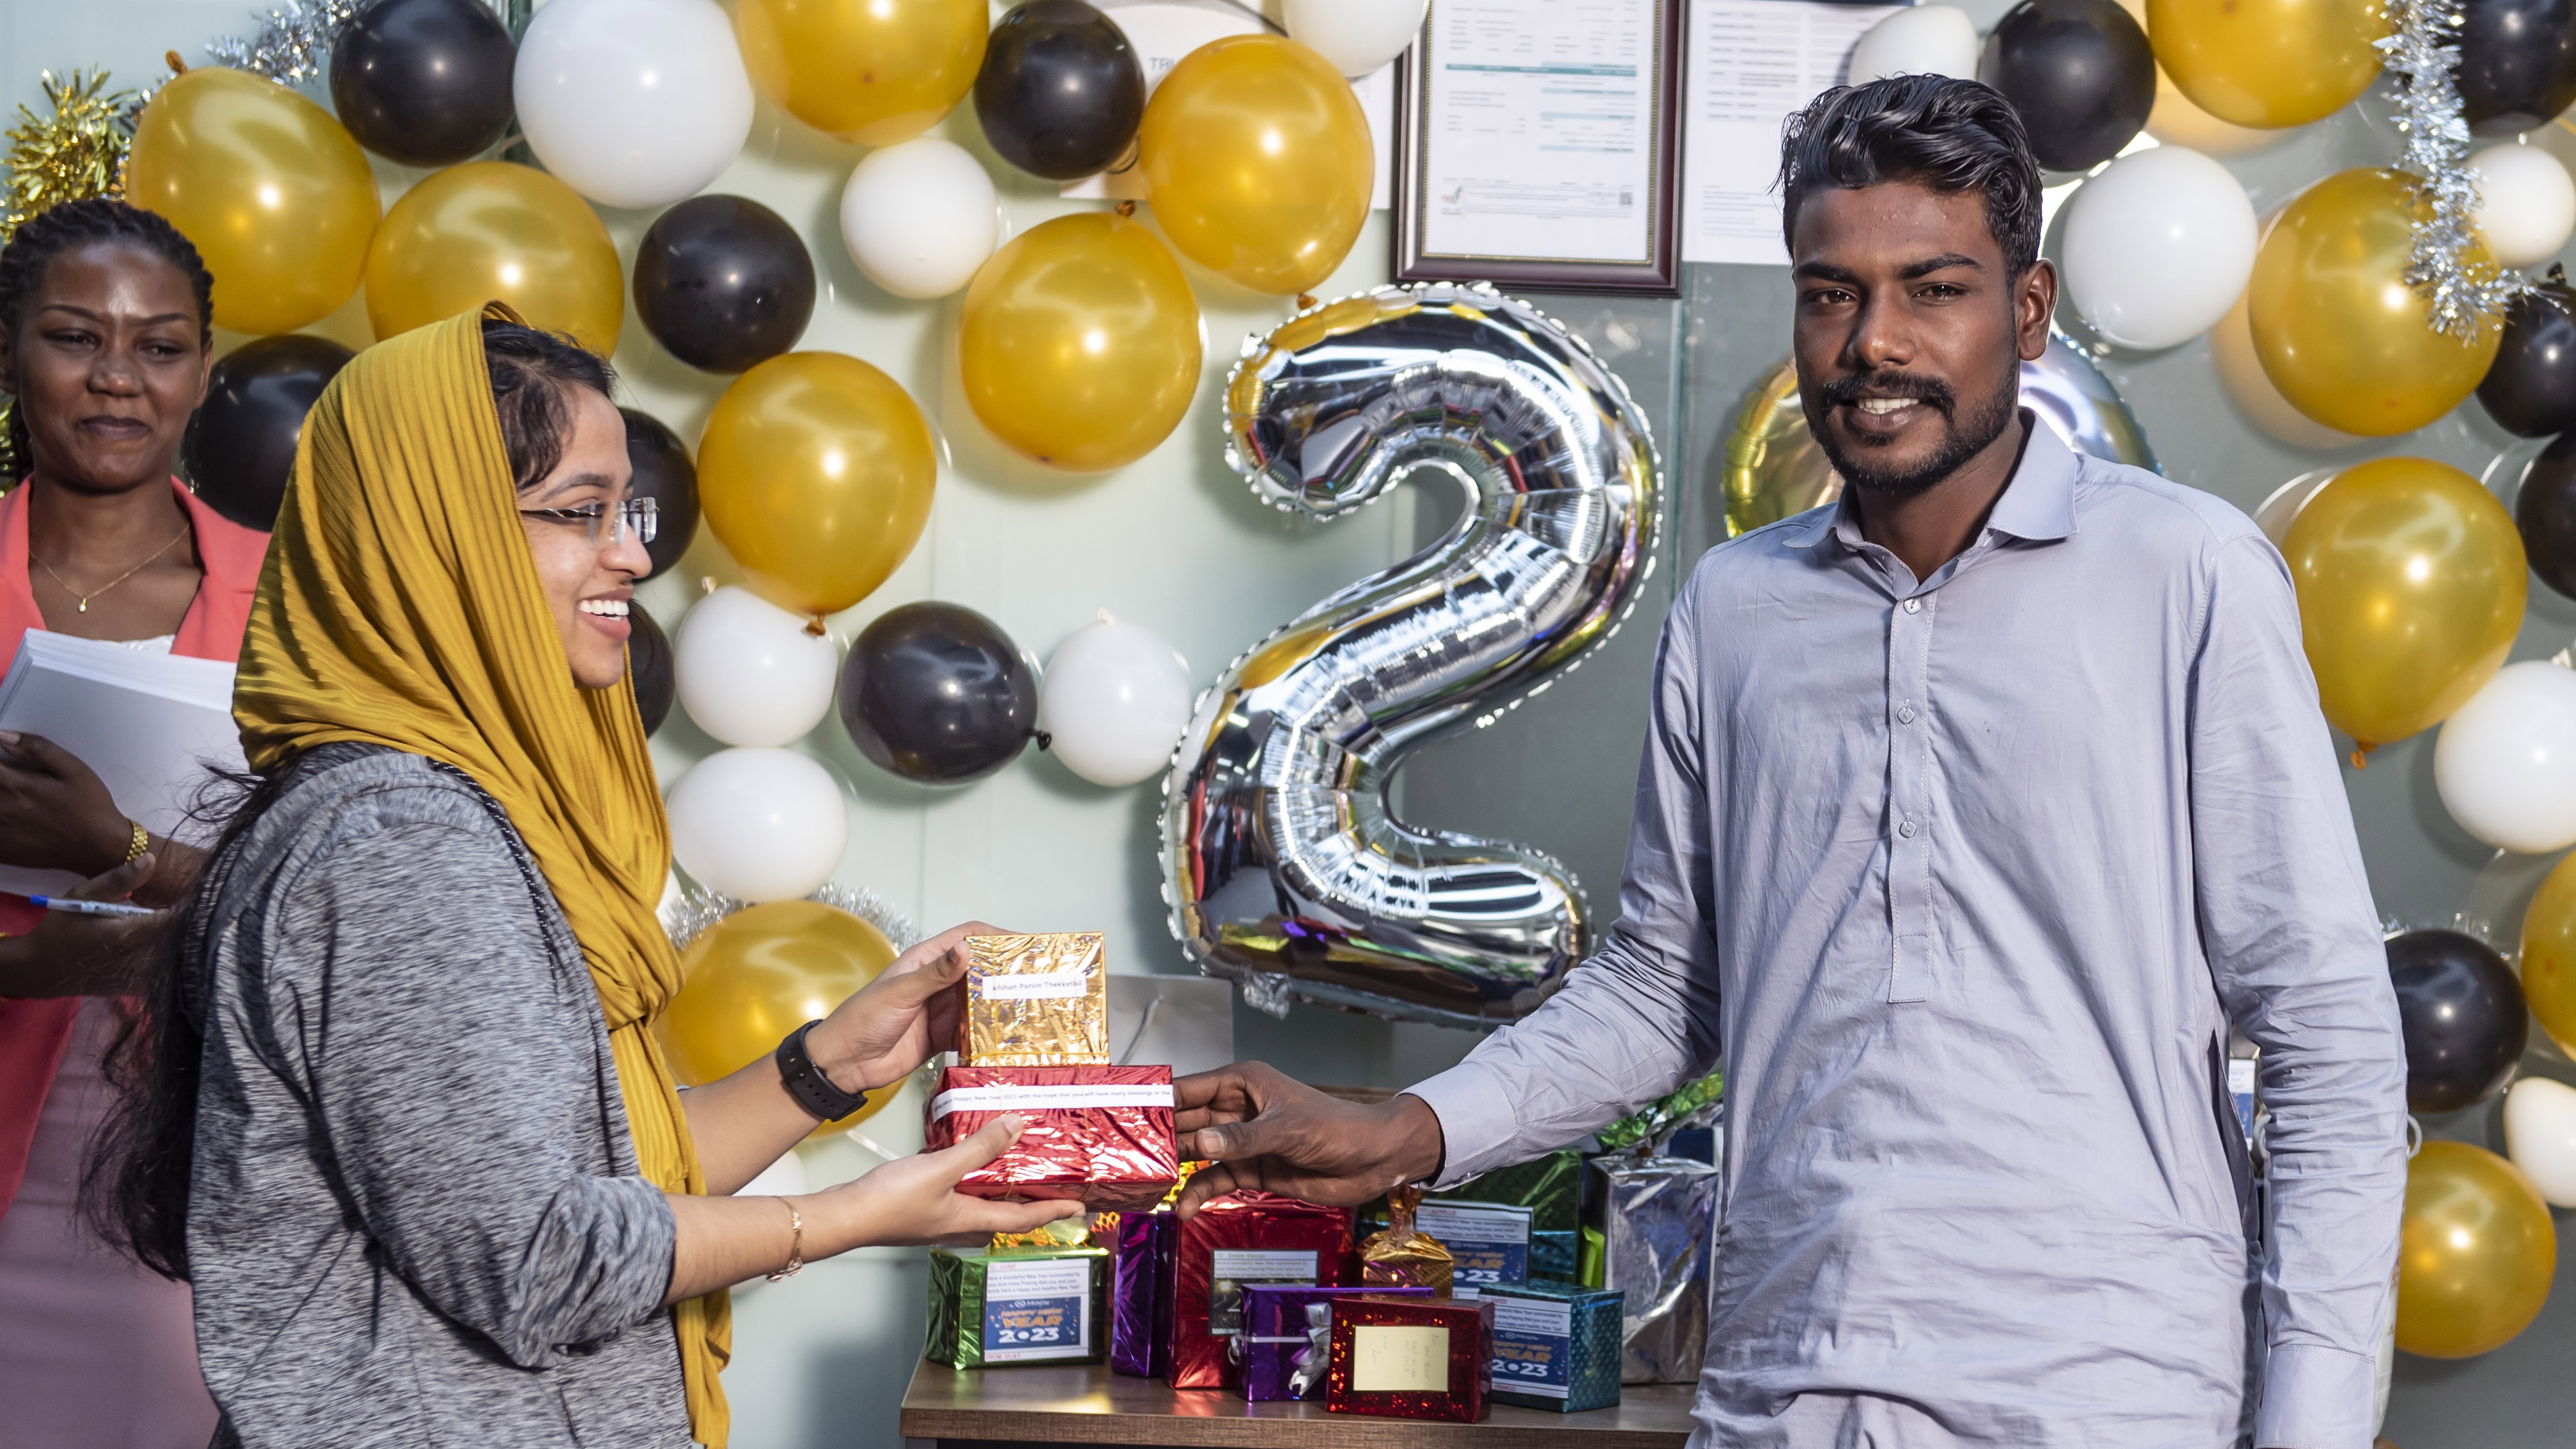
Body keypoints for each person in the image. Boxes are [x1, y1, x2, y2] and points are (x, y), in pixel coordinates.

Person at [1170, 75, 2405, 1449]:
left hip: (2101, 1389)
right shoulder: (1735, 607)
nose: (1876, 341)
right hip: (1783, 1384)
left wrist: (2311, 1423)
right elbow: (1666, 987)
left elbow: (2326, 1032)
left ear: (2029, 310)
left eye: (1934, 289)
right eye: (1832, 294)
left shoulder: (2187, 573)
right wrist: (1411, 1126)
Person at [97, 303, 1078, 1449]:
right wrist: (843, 1216)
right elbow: (537, 1259)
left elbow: (575, 1172)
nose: (636, 556)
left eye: (629, 511)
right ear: (443, 533)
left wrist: (825, 1067)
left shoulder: (417, 811)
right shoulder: (402, 846)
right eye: (580, 512)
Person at [0, 196, 269, 1449]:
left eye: (160, 347)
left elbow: (338, 904)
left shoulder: (292, 606)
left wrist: (120, 852)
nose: (118, 377)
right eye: (75, 337)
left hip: (190, 1172)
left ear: (203, 371)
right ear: (13, 350)